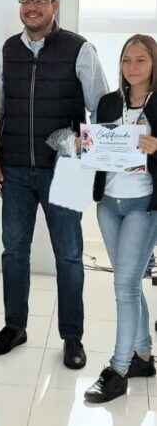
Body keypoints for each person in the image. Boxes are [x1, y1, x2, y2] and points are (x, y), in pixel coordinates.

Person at [0, 0, 109, 368]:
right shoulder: (8, 49)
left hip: (66, 171)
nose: (31, 8)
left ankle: (72, 337)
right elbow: (0, 110)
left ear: (54, 6)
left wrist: (88, 155)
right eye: (25, 1)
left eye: (39, 0)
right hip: (17, 170)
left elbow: (102, 112)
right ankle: (14, 326)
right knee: (14, 252)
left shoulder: (80, 49)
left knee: (70, 256)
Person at [85, 35, 157, 403]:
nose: (132, 66)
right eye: (127, 59)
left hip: (143, 206)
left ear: (153, 64)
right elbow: (97, 151)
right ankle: (143, 354)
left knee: (125, 286)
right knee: (129, 283)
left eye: (140, 60)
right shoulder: (108, 102)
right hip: (108, 205)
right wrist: (87, 146)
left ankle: (118, 370)